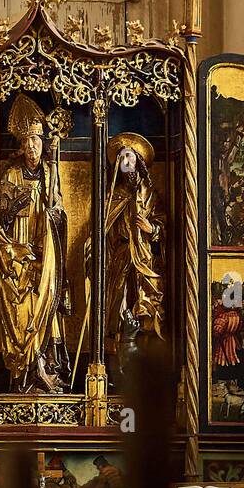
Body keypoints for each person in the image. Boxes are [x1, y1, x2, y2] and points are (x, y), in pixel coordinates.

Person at [0, 95, 71, 393]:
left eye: (36, 140)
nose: (32, 146)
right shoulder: (11, 175)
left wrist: (53, 215)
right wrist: (12, 215)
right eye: (27, 141)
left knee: (46, 308)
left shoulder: (50, 173)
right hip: (18, 257)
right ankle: (26, 373)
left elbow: (59, 214)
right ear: (21, 146)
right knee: (23, 313)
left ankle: (45, 368)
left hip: (43, 255)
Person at [103, 132, 166, 351]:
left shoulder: (150, 195)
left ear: (138, 160)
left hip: (144, 257)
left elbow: (164, 225)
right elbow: (105, 229)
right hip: (121, 257)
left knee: (146, 302)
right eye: (121, 158)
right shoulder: (113, 195)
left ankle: (145, 354)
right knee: (119, 303)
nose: (126, 162)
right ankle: (118, 353)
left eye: (129, 156)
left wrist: (152, 229)